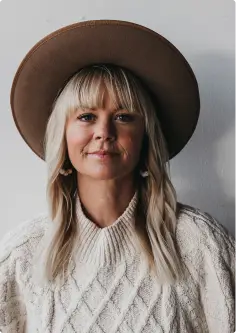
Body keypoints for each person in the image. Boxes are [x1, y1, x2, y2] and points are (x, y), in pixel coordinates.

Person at [0, 20, 236, 333]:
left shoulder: (200, 244)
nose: (104, 132)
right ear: (63, 137)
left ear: (145, 137)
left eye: (123, 117)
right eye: (86, 117)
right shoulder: (23, 253)